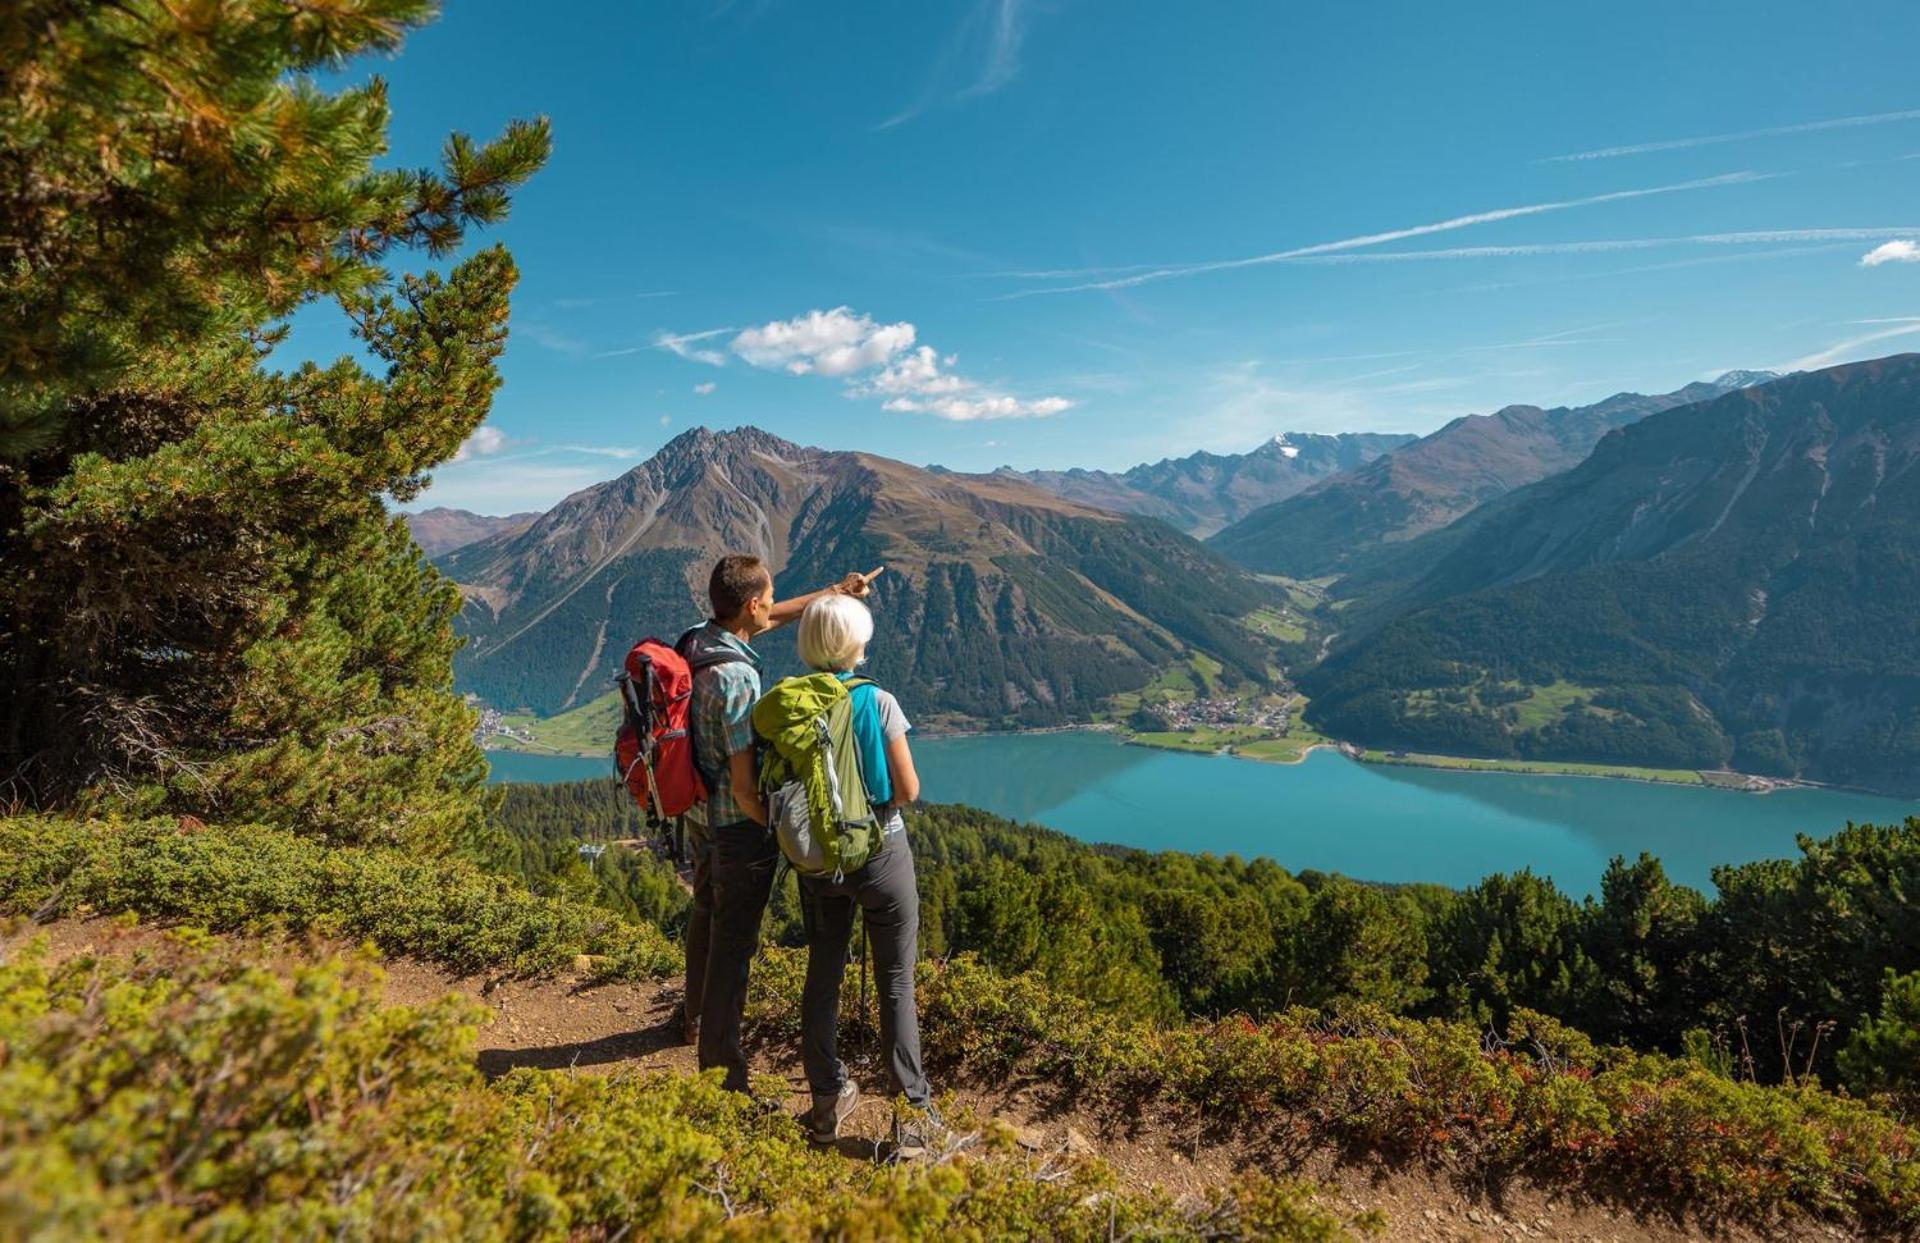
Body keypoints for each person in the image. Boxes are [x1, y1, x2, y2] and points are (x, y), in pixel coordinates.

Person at [683, 554, 879, 1095]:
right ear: (750, 604)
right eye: (767, 598)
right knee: (734, 943)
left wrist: (834, 591)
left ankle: (692, 1019)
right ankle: (721, 1080)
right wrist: (784, 826)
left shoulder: (701, 639)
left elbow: (773, 617)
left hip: (697, 812)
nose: (772, 608)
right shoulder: (739, 678)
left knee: (706, 913)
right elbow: (747, 786)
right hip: (735, 825)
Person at [790, 593, 945, 1159]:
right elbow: (907, 790)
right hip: (881, 852)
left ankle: (827, 1099)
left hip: (819, 860)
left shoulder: (792, 703)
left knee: (823, 971)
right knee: (897, 981)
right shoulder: (877, 701)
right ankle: (914, 1117)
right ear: (856, 642)